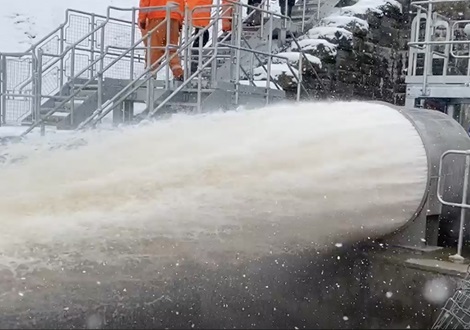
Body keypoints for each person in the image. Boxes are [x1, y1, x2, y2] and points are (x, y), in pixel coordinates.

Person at [139, 0, 185, 81]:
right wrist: (180, 21)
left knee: (155, 46)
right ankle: (178, 73)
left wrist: (142, 19)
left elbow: (145, 2)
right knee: (172, 48)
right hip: (174, 18)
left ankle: (151, 73)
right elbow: (182, 3)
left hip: (157, 15)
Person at [187, 0, 211, 74]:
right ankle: (194, 58)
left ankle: (194, 59)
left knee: (201, 37)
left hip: (197, 14)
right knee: (203, 37)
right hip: (200, 16)